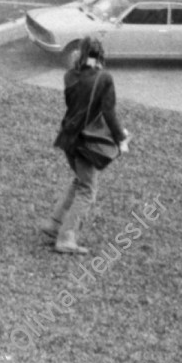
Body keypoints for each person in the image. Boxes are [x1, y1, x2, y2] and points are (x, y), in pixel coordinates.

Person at [43, 38, 131, 255]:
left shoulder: (70, 75)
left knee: (79, 181)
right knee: (87, 192)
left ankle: (54, 224)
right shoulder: (104, 78)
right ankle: (66, 237)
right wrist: (121, 138)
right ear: (101, 55)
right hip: (87, 142)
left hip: (68, 138)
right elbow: (108, 112)